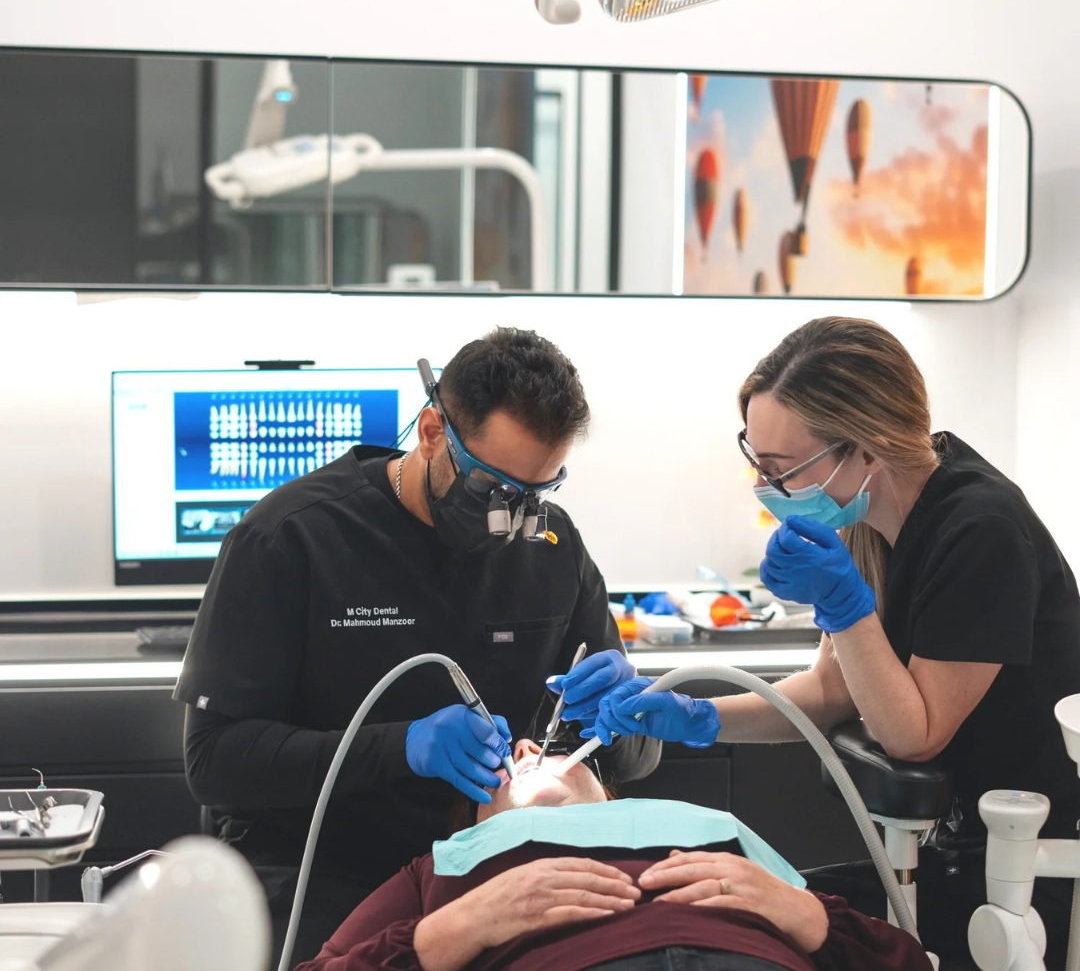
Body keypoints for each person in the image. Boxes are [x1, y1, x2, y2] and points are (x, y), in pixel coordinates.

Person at [585, 317, 1080, 969]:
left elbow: (913, 735)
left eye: (781, 469)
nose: (769, 489)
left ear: (866, 450)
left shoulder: (982, 531)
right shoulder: (869, 519)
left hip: (1023, 876)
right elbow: (829, 691)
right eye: (757, 462)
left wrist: (845, 607)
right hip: (951, 851)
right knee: (729, 919)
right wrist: (694, 716)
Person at [174, 327, 660, 966]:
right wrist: (398, 748)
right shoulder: (291, 538)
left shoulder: (552, 549)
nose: (511, 522)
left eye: (534, 496)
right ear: (432, 432)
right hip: (327, 869)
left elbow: (632, 761)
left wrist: (630, 718)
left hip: (499, 866)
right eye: (492, 491)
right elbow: (215, 763)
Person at [295, 737, 933, 971]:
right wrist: (462, 925)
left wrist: (809, 917)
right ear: (476, 819)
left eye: (544, 746)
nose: (526, 750)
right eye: (504, 763)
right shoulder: (451, 861)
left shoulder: (715, 826)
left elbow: (904, 960)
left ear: (606, 789)